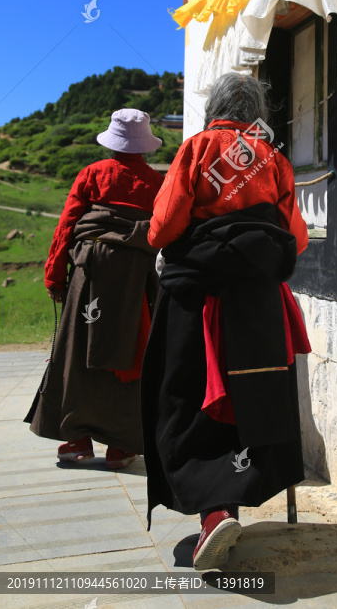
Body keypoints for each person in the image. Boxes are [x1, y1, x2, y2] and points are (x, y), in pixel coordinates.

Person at [142, 73, 311, 570]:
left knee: (189, 401)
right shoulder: (274, 160)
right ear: (255, 108)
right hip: (258, 306)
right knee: (251, 400)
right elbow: (295, 238)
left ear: (214, 106)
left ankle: (213, 512)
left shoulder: (196, 150)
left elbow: (162, 227)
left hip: (199, 299)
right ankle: (227, 506)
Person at [25, 108, 164, 469]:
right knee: (130, 353)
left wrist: (55, 274)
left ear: (112, 142)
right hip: (137, 279)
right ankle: (122, 446)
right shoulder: (158, 182)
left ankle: (77, 440)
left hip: (91, 273)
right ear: (145, 146)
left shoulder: (92, 174)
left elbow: (67, 225)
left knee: (76, 354)